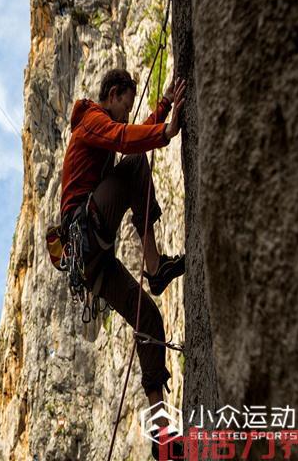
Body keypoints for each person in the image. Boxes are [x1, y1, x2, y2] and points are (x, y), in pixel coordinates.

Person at [59, 68, 186, 458]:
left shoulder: (105, 127)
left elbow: (130, 135)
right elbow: (123, 138)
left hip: (93, 261)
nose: (127, 115)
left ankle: (161, 432)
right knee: (133, 165)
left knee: (149, 318)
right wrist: (164, 133)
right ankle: (155, 267)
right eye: (126, 105)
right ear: (112, 95)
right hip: (87, 229)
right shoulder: (92, 120)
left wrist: (163, 107)